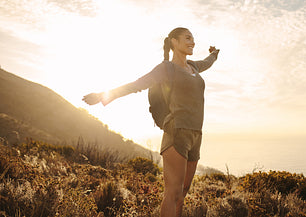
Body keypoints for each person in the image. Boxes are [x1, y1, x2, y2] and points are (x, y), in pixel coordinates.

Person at [82, 27, 219, 217]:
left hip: (196, 133)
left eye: (193, 38)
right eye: (187, 38)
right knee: (173, 193)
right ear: (174, 42)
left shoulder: (194, 67)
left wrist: (214, 54)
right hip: (176, 132)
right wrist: (103, 95)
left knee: (183, 193)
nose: (192, 42)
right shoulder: (166, 68)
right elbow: (137, 84)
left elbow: (207, 62)